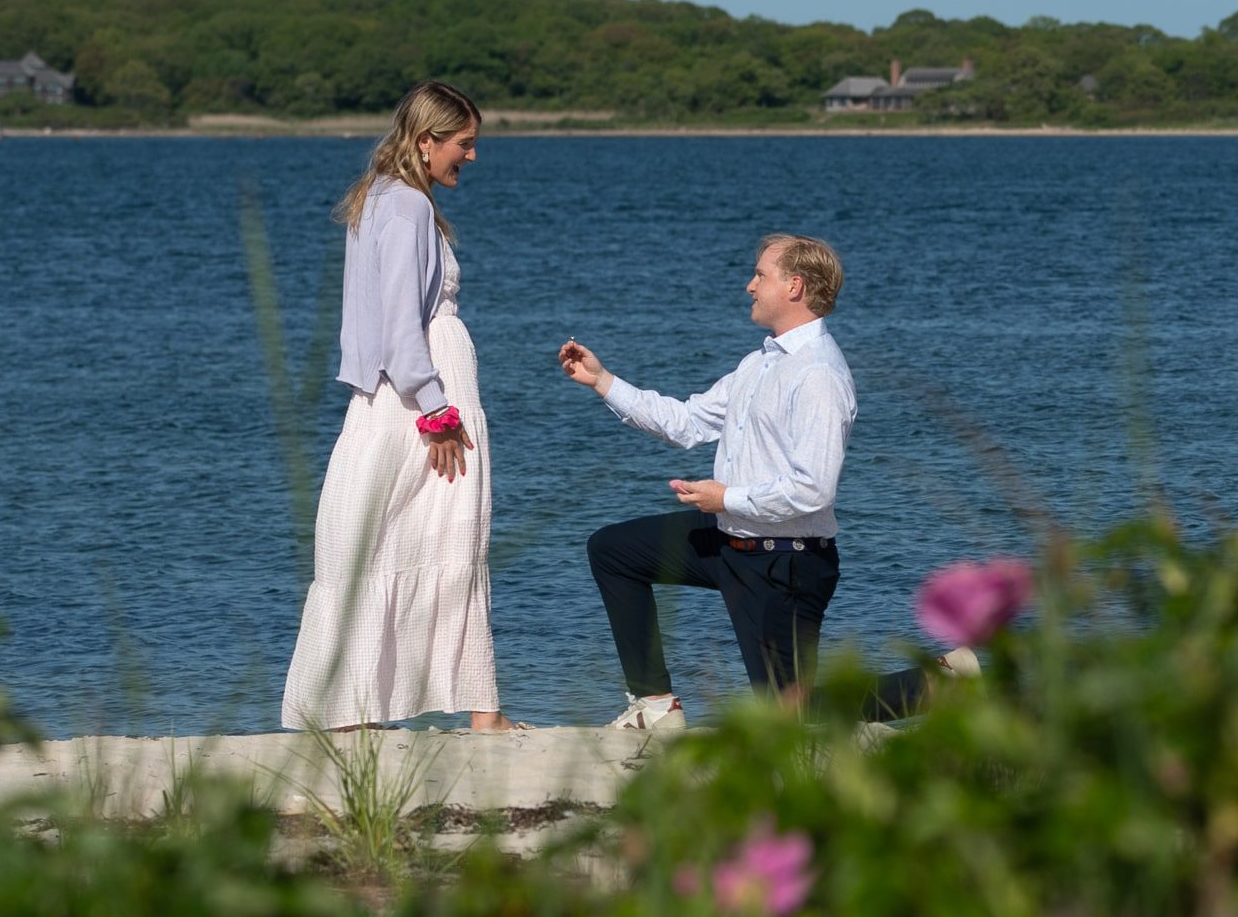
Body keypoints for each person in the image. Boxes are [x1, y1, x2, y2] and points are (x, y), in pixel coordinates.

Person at [560, 233, 933, 729]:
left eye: (761, 275)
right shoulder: (759, 363)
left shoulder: (819, 375)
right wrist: (603, 380)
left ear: (795, 286)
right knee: (614, 550)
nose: (749, 285)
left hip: (787, 564)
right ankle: (654, 703)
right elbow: (687, 421)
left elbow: (813, 489)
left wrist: (724, 497)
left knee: (792, 716)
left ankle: (935, 686)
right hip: (729, 544)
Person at [281, 81, 519, 732]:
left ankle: (354, 707)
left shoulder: (379, 199)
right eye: (464, 145)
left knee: (377, 541)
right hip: (421, 392)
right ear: (425, 141)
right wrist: (437, 413)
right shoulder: (409, 207)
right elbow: (399, 326)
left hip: (387, 397)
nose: (471, 158)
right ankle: (480, 713)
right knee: (449, 540)